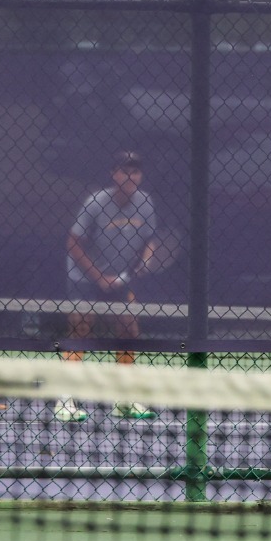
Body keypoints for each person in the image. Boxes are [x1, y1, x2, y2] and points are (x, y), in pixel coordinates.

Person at [55, 150, 157, 423]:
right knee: (80, 330)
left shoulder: (145, 203)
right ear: (113, 174)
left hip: (120, 277)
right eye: (124, 171)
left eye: (135, 171)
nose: (130, 176)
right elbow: (73, 244)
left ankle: (123, 398)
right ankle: (65, 400)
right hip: (84, 277)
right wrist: (99, 277)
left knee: (128, 330)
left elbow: (150, 240)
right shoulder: (96, 203)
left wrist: (145, 260)